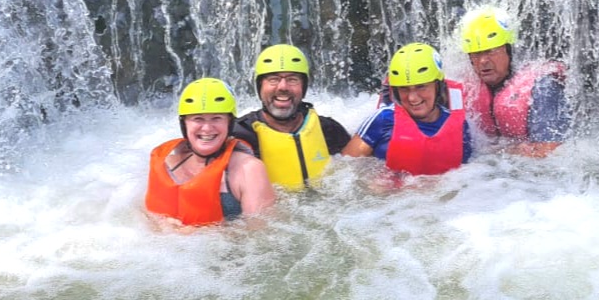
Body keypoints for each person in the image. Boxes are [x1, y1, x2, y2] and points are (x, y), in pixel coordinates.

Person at [146, 78, 275, 225]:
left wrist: (195, 233)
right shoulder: (167, 165)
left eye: (216, 118)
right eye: (198, 119)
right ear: (184, 124)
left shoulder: (249, 169)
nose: (207, 128)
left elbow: (260, 236)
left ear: (229, 123)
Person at [233, 44, 352, 190]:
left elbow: (357, 171)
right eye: (273, 79)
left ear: (303, 87)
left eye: (292, 79)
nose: (283, 87)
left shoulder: (329, 129)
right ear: (260, 87)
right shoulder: (241, 134)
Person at [342, 43, 470, 175]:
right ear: (396, 92)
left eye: (421, 86)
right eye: (404, 89)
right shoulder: (382, 119)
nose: (412, 98)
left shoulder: (459, 126)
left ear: (438, 87)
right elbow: (344, 168)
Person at [459, 11, 570, 157]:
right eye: (476, 54)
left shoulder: (543, 86)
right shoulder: (467, 89)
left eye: (491, 51)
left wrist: (498, 152)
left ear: (509, 51)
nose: (483, 61)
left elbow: (548, 152)